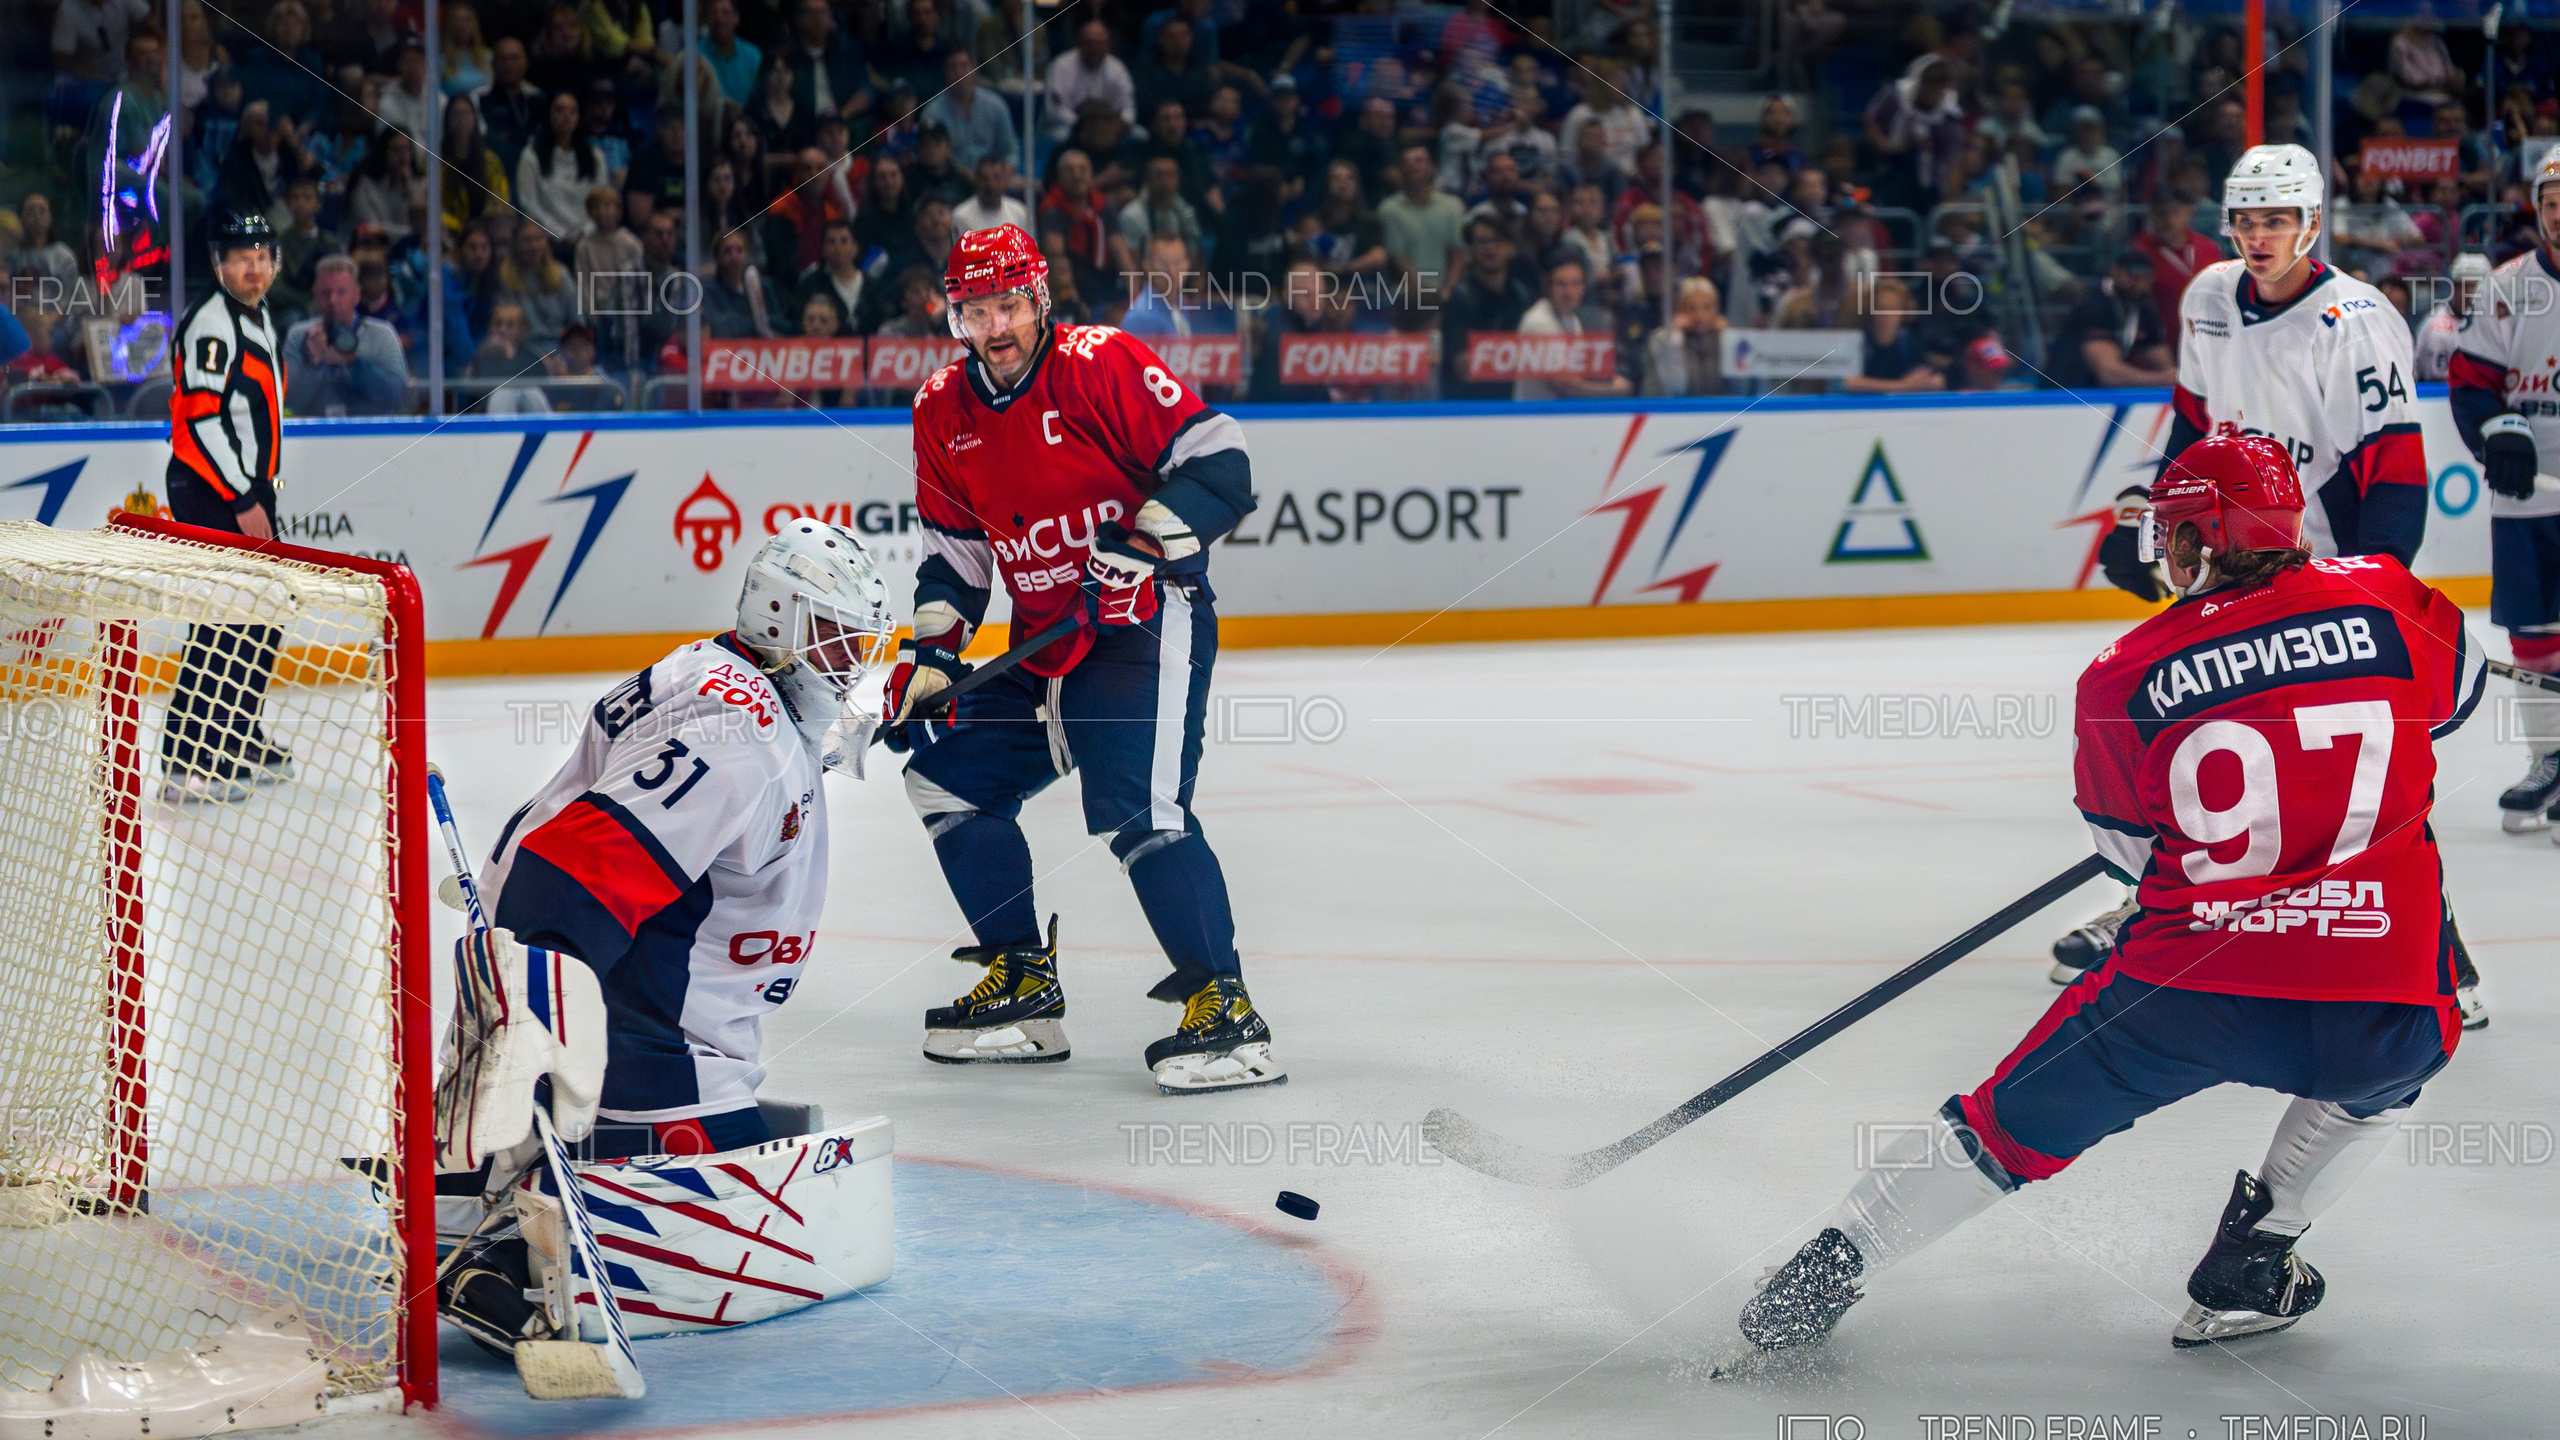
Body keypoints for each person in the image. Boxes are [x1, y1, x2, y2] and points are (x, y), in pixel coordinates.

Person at [1738, 434, 2486, 1358]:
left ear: (2202, 541)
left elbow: (2133, 858)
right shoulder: (2382, 589)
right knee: (2407, 1057)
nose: (2163, 552)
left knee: (2005, 1128)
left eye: (2172, 534)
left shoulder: (2120, 674)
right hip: (2378, 997)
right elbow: (2458, 698)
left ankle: (1821, 1272)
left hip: (2183, 993)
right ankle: (2257, 1254)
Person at [436, 519, 898, 1360]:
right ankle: (499, 1220)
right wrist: (541, 1034)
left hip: (638, 994)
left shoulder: (726, 677)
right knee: (754, 1223)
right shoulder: (737, 740)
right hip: (644, 1021)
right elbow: (569, 873)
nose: (852, 662)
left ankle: (476, 1178)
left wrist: (834, 736)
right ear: (779, 621)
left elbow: (724, 796)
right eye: (836, 638)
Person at [2064, 145, 2461, 1012]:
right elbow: (2190, 425)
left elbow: (2393, 474)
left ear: (2311, 223)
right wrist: (2154, 527)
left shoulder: (2355, 321)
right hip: (2224, 567)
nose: (2258, 235)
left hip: (2317, 574)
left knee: (2350, 769)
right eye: (2245, 219)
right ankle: (2163, 904)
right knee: (2197, 741)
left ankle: (2437, 957)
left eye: (2276, 218)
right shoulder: (2208, 297)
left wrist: (2375, 593)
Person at [887, 224, 1278, 1092]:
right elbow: (955, 556)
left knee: (1141, 812)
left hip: (1141, 621)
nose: (997, 327)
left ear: (1041, 302)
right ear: (953, 317)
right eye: (977, 310)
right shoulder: (938, 412)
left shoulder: (1102, 363)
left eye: (1011, 305)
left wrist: (1142, 543)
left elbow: (1223, 466)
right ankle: (1025, 987)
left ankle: (1227, 1012)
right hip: (1043, 637)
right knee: (945, 780)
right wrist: (934, 655)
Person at [2449, 157, 2560, 839]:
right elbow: (2469, 385)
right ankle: (2549, 757)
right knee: (2533, 634)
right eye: (2553, 200)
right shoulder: (2507, 288)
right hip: (2530, 497)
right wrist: (2498, 429)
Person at [164, 214, 289, 805]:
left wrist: (256, 491)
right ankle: (188, 758)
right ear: (219, 265)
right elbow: (200, 418)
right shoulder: (211, 323)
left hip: (246, 489)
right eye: (242, 256)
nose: (254, 266)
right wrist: (242, 497)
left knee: (261, 615)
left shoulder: (258, 314)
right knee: (219, 621)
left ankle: (236, 733)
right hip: (212, 490)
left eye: (263, 255)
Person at [284, 255, 405, 416]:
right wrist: (312, 363)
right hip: (314, 435)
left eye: (341, 292)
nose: (333, 300)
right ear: (315, 294)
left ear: (357, 294)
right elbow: (289, 402)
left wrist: (352, 363)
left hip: (368, 434)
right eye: (325, 293)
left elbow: (397, 398)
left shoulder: (382, 335)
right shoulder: (299, 335)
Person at [2047, 251, 2175, 390]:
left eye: (2145, 277)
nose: (2139, 283)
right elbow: (2109, 374)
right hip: (2068, 391)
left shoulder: (2144, 307)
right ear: (2115, 272)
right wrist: (2163, 379)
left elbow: (2163, 361)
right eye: (2133, 276)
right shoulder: (2096, 305)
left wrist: (2174, 376)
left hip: (2099, 394)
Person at [1515, 256, 1630, 401]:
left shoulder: (1572, 320)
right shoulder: (1540, 322)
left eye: (1576, 284)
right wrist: (1613, 389)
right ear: (1548, 286)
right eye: (1561, 284)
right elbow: (1565, 386)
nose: (1569, 292)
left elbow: (1579, 374)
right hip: (1533, 417)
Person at [2415, 250, 2490, 382]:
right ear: (2454, 287)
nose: (2471, 294)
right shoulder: (2435, 326)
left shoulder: (2497, 322)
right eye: (2464, 286)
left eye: (2476, 287)